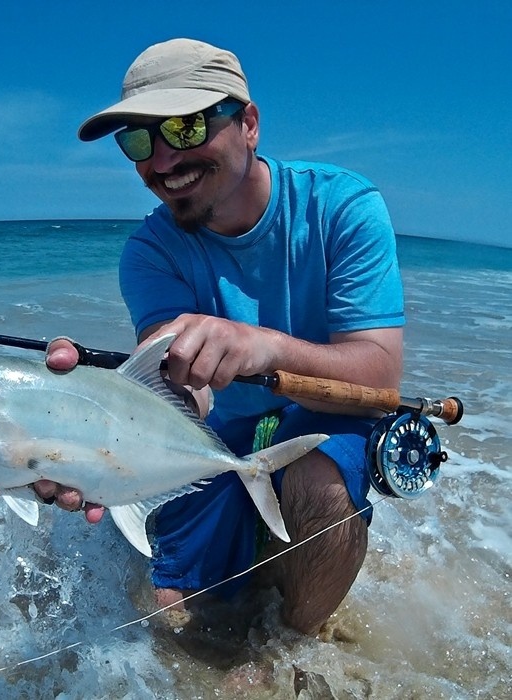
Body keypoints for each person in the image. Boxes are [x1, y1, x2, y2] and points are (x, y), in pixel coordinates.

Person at [34, 38, 405, 637]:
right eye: (137, 141)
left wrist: (266, 345)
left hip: (328, 412)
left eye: (183, 129)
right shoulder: (150, 252)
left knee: (320, 486)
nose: (160, 162)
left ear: (249, 124)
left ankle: (294, 644)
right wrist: (86, 433)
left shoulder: (343, 208)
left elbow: (381, 374)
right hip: (214, 430)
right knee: (177, 612)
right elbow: (180, 390)